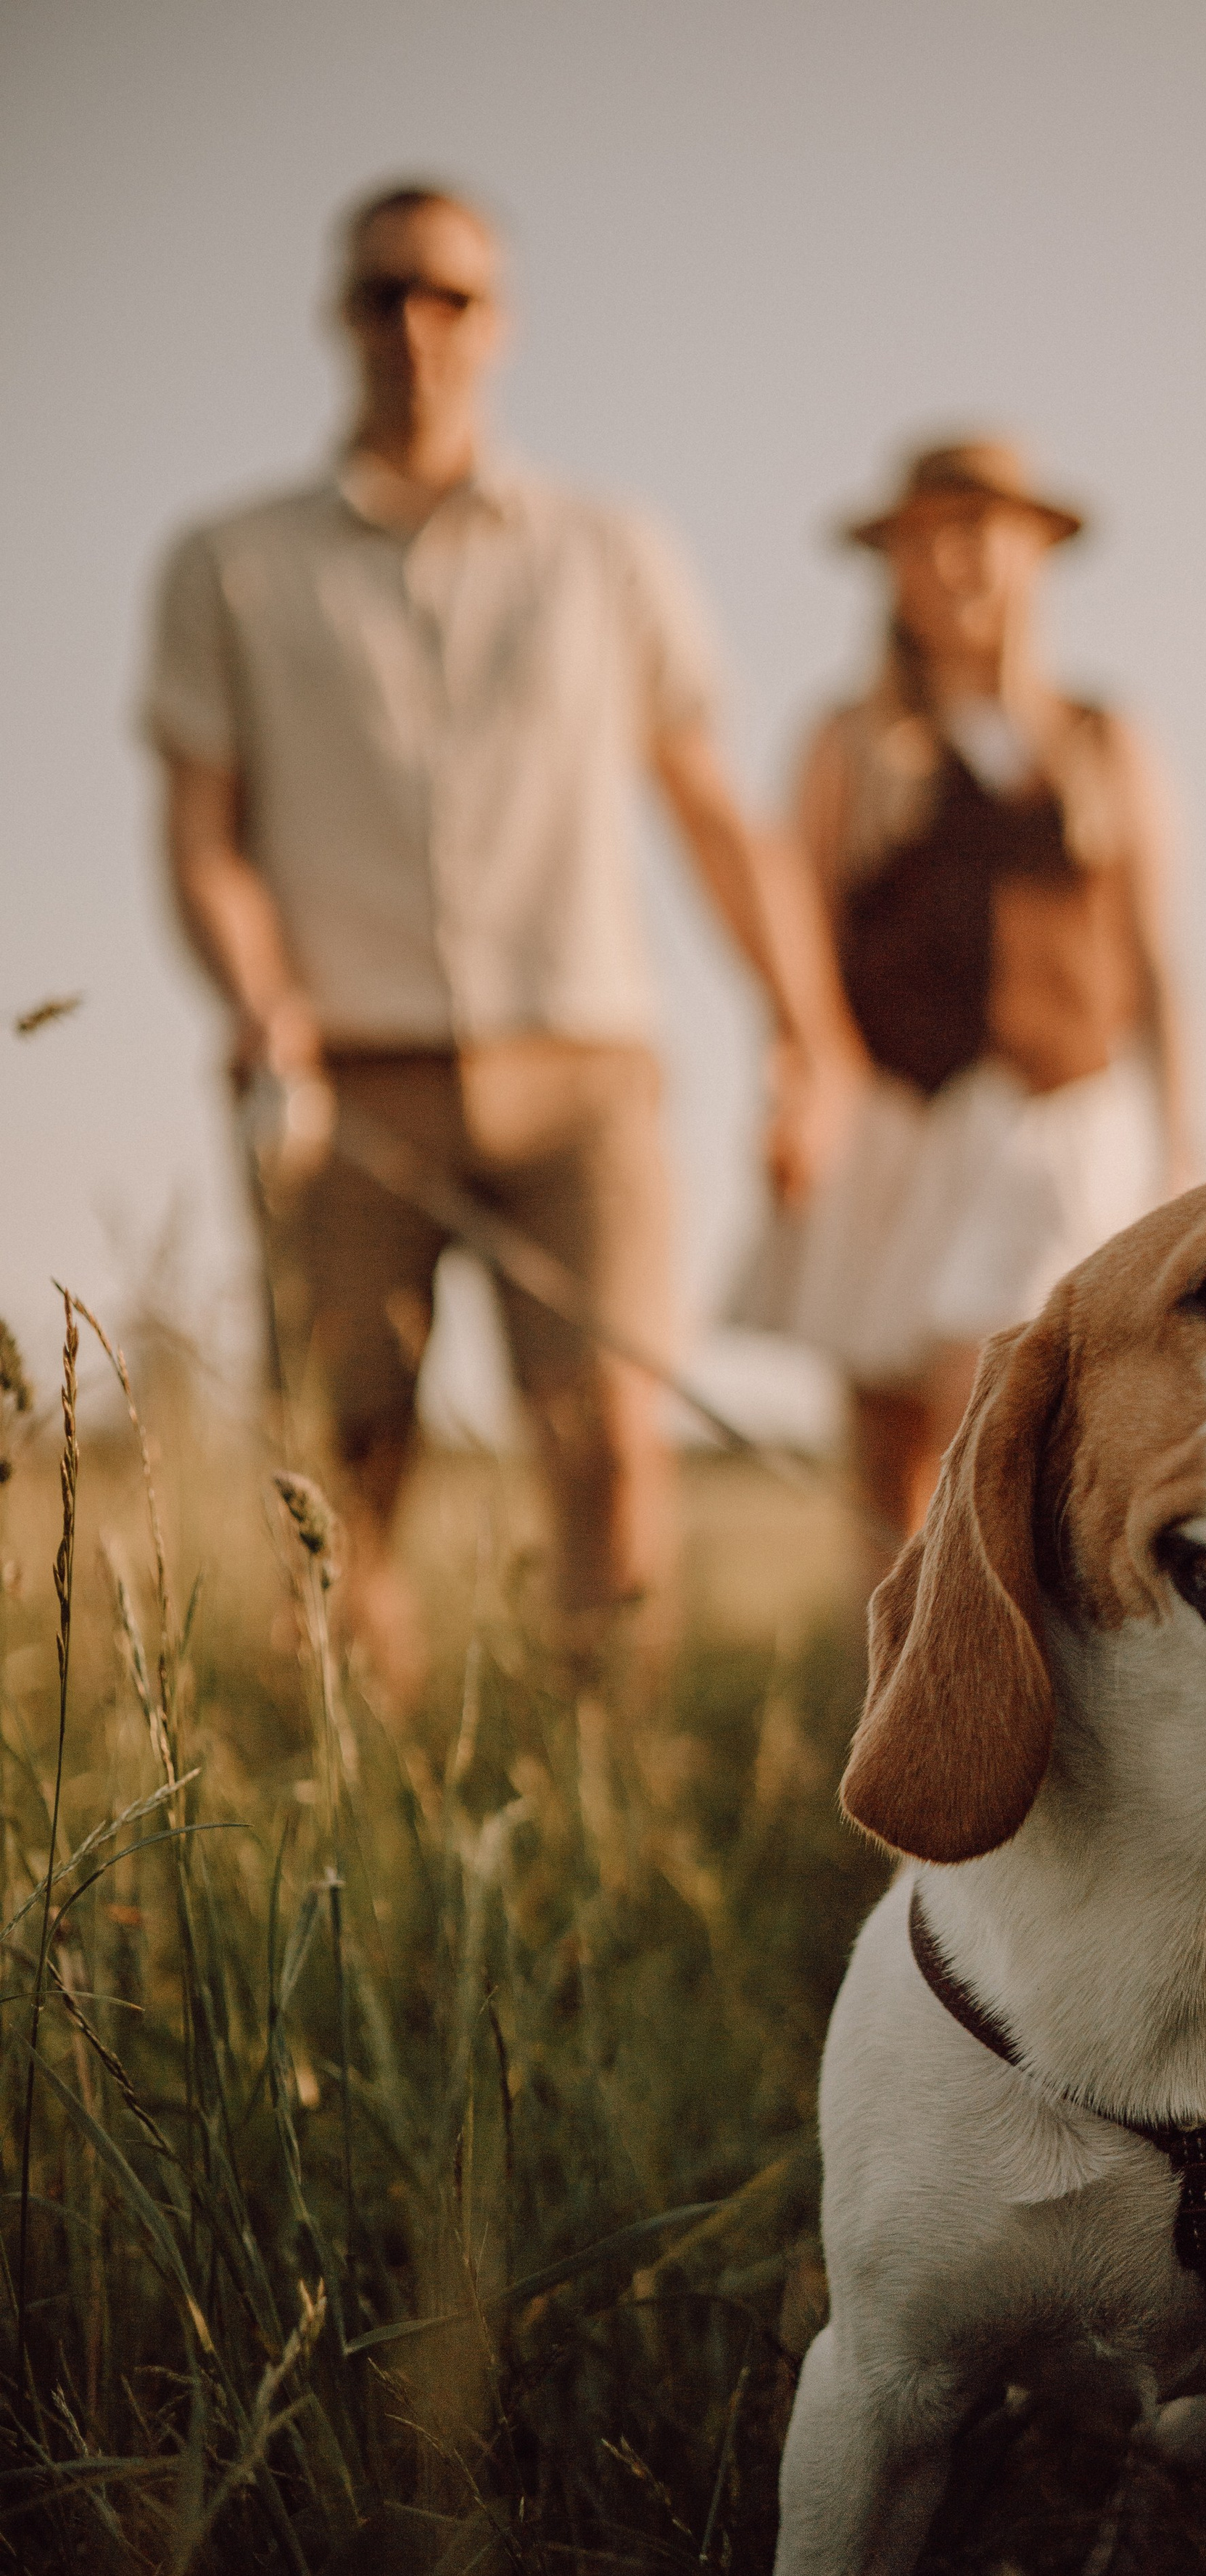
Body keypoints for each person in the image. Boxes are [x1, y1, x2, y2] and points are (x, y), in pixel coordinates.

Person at [142, 181, 854, 1698]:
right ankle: (352, 1805)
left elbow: (713, 812)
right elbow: (203, 834)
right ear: (340, 316)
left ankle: (607, 1787)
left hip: (583, 1066)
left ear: (498, 323)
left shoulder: (608, 548)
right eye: (384, 290)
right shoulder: (230, 562)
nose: (416, 323)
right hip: (342, 1075)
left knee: (607, 1439)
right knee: (340, 1463)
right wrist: (262, 999)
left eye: (450, 294)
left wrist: (807, 1036)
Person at [737, 438, 1192, 1548]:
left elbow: (1157, 959)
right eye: (925, 536)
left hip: (1056, 1125)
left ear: (1034, 551)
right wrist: (796, 1090)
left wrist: (1183, 1145)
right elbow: (799, 953)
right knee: (885, 1448)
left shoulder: (1100, 739)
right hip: (896, 1119)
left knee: (987, 1410)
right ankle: (884, 1699)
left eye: (980, 530)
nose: (954, 561)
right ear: (891, 562)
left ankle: (1007, 1694)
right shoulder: (846, 743)